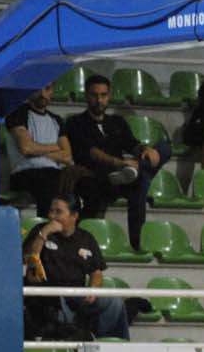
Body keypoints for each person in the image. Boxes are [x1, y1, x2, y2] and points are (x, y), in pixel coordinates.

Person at [62, 74, 171, 249]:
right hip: (96, 176)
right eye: (94, 95)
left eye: (103, 95)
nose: (99, 100)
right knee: (142, 181)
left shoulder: (117, 122)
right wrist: (120, 164)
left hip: (123, 176)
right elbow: (93, 153)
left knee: (163, 149)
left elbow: (132, 145)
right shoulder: (75, 122)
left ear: (109, 96)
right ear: (86, 96)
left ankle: (139, 171)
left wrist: (145, 150)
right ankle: (137, 243)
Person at [22, 193, 129, 340]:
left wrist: (93, 289)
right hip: (50, 295)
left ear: (74, 216)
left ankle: (106, 342)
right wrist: (44, 234)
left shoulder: (86, 238)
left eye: (58, 212)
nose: (52, 216)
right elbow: (29, 260)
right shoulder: (39, 231)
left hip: (77, 294)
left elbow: (96, 272)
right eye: (51, 211)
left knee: (113, 301)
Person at [4, 83, 74, 216]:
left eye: (47, 89)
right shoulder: (17, 113)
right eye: (38, 89)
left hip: (53, 173)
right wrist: (55, 147)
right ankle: (45, 230)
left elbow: (67, 156)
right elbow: (26, 148)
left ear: (52, 91)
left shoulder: (57, 120)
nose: (42, 94)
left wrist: (38, 150)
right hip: (25, 173)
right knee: (49, 184)